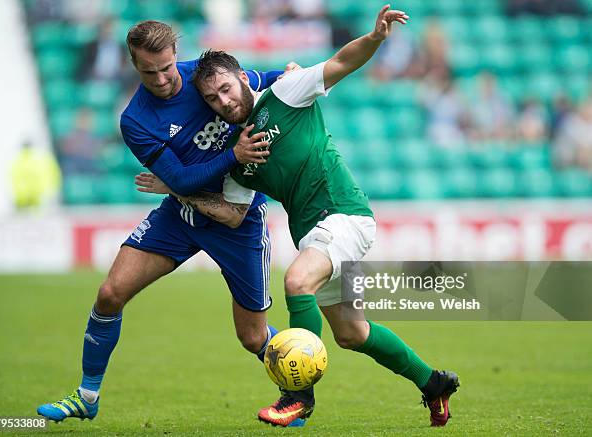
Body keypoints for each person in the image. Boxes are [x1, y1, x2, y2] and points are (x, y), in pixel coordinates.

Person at [136, 5, 459, 428]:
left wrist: (376, 37)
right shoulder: (237, 155)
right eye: (213, 99)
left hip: (345, 215)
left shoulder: (286, 92)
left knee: (296, 281)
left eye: (228, 89)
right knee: (351, 334)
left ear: (241, 77)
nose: (224, 102)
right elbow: (232, 214)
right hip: (313, 235)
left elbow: (342, 61)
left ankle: (297, 398)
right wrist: (179, 188)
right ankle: (432, 382)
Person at [37, 20, 297, 424]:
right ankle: (87, 396)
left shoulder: (206, 76)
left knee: (252, 337)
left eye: (166, 68)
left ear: (176, 55)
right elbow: (179, 181)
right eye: (148, 72)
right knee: (110, 293)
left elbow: (261, 81)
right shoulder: (136, 121)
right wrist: (234, 156)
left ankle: (298, 391)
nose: (160, 79)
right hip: (182, 213)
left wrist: (290, 75)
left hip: (237, 220)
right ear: (133, 64)